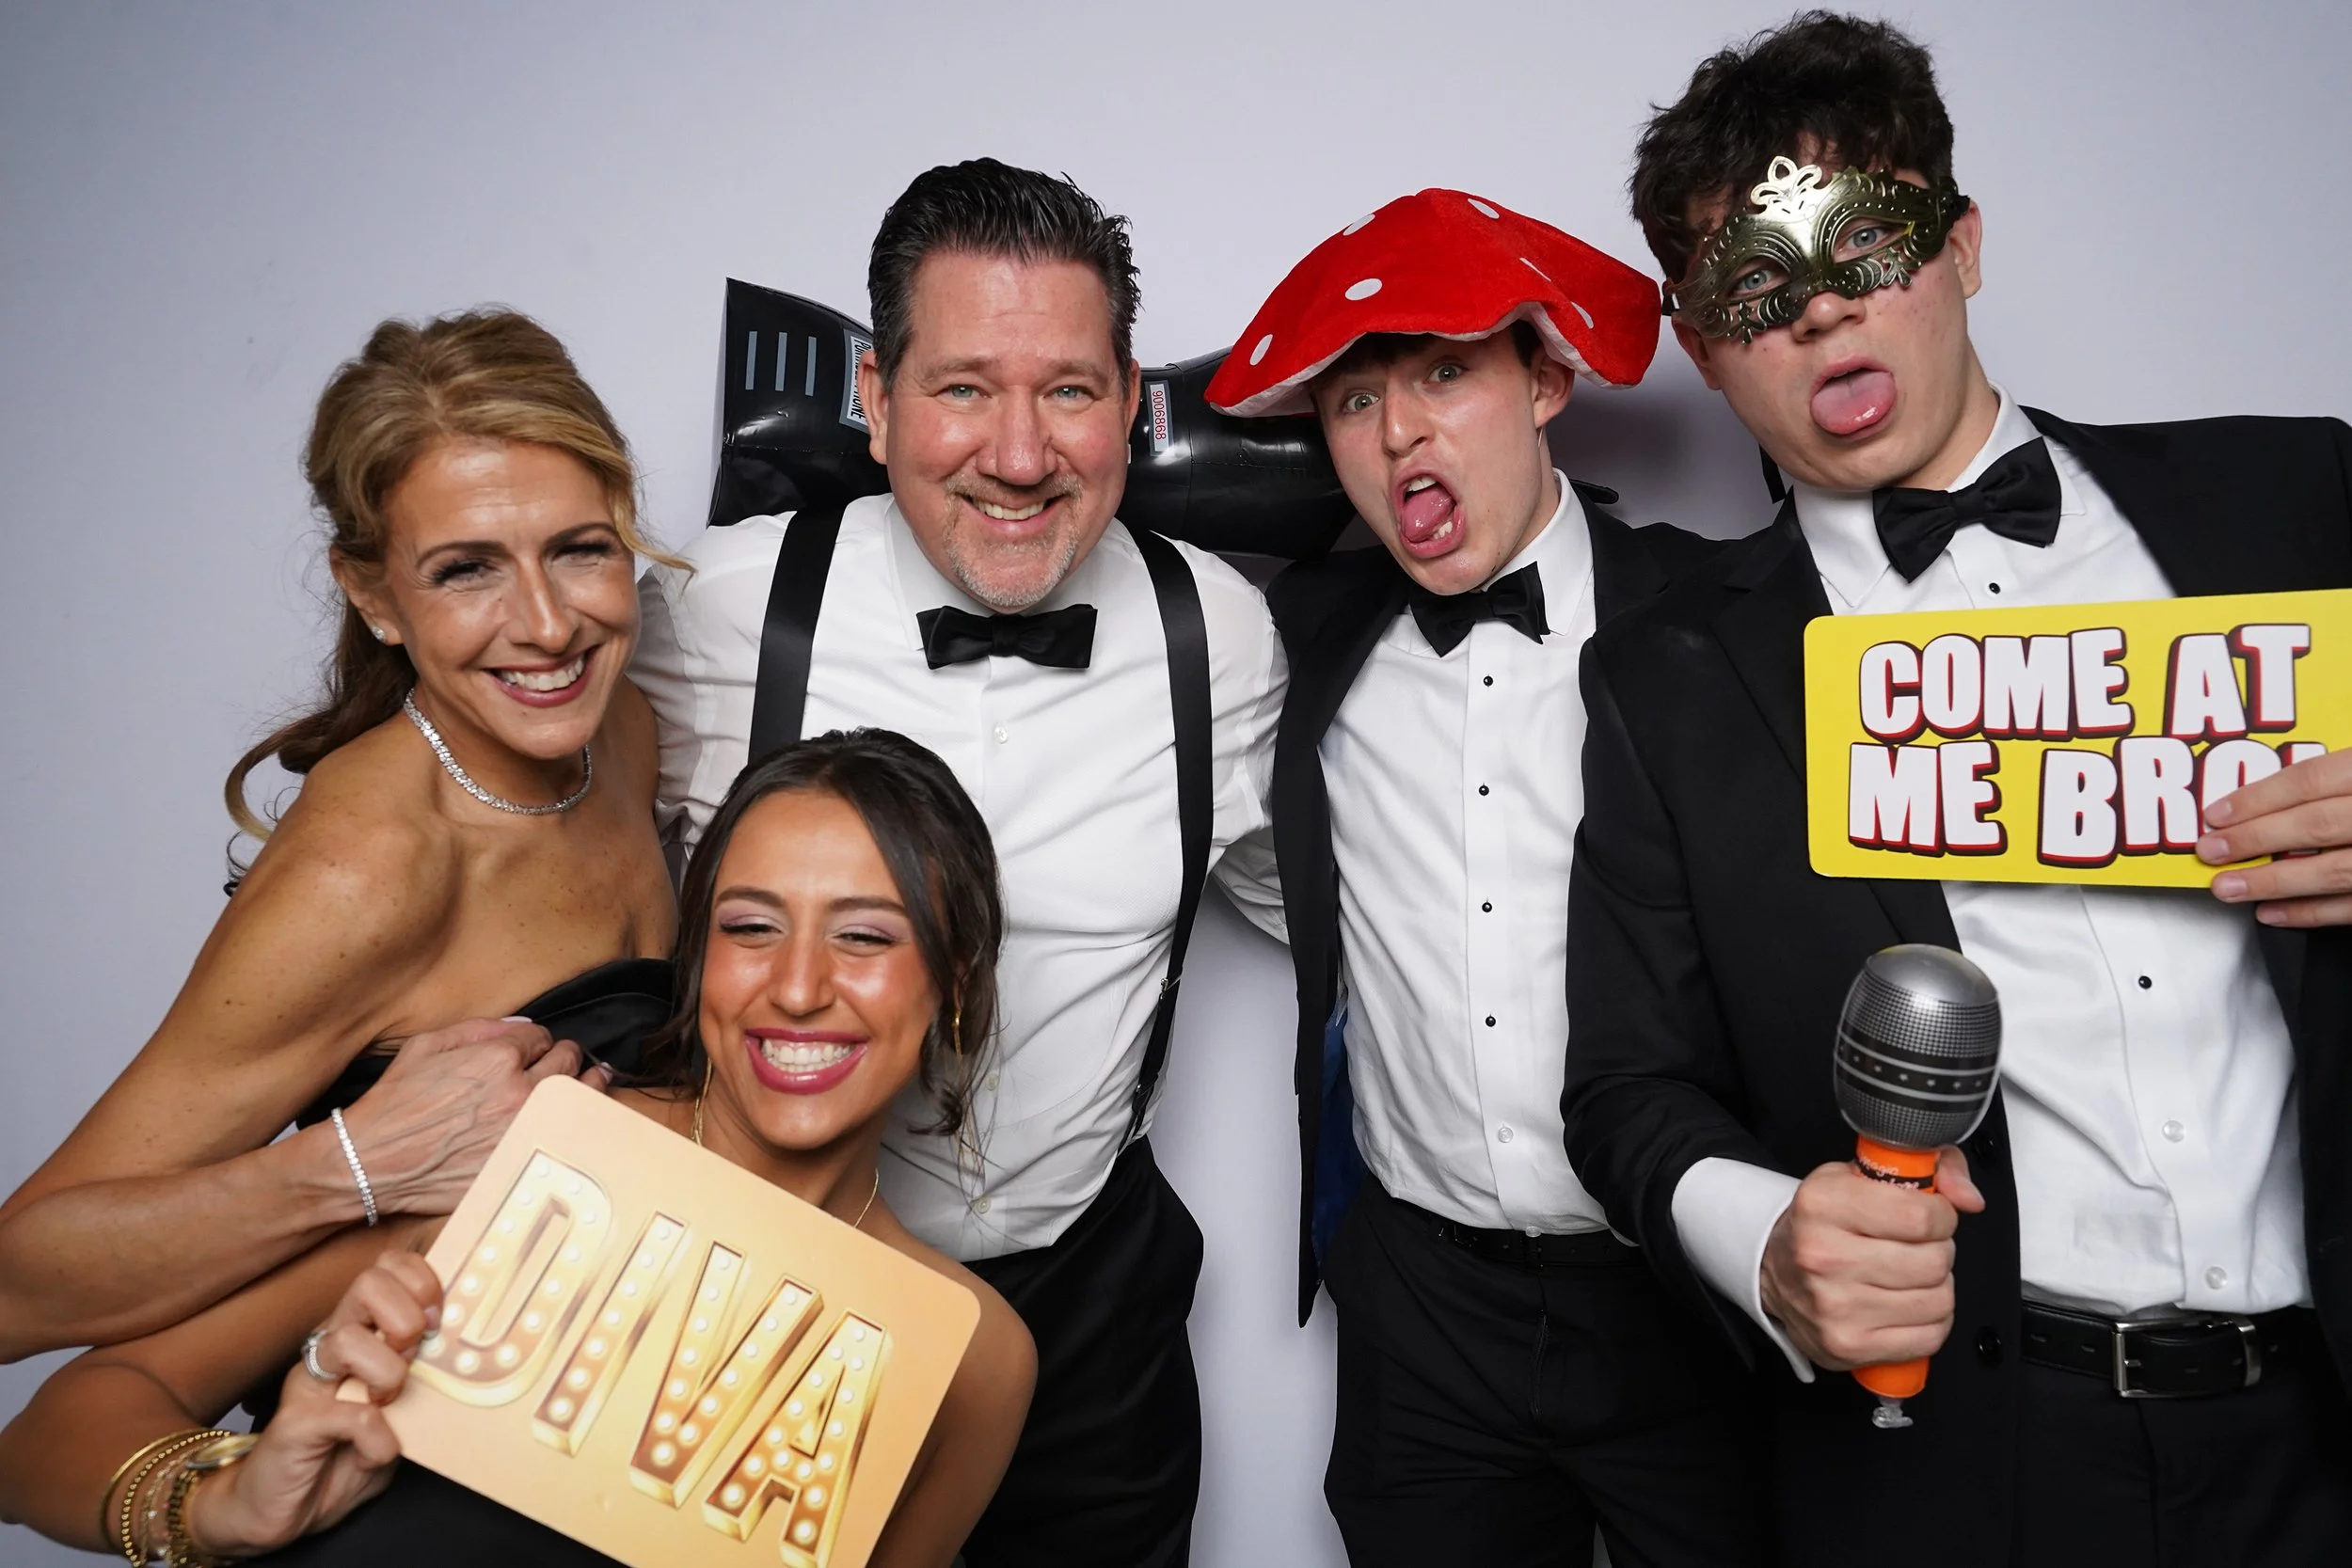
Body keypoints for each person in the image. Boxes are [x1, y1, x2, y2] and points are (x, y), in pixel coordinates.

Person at [1563, 13, 2352, 1566]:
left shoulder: (2301, 497)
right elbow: (1626, 1095)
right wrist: (1770, 1244)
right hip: (1960, 1465)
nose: (1825, 317)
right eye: (1754, 294)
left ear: (1965, 244)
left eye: (1869, 245)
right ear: (1708, 349)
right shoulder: (1666, 677)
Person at [631, 158, 1283, 1568]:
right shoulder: (721, 606)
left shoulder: (1216, 633)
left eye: (1067, 389)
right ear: (874, 399)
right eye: (964, 387)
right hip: (766, 1282)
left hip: (1092, 1317)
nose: (1020, 452)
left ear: (1130, 405)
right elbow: (579, 906)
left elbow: (1344, 912)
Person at [0, 727, 1038, 1566]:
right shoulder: (534, 1148)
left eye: (866, 935)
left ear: (953, 980)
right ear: (697, 963)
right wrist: (226, 1499)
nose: (799, 986)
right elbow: (44, 1438)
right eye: (751, 927)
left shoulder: (972, 1356)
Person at [1201, 189, 1764, 1566]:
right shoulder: (1295, 639)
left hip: (1695, 1294)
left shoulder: (1730, 620)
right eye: (1351, 399)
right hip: (1425, 1309)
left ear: (1549, 379)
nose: (1398, 432)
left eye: (1446, 371)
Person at [0, 310, 676, 1364]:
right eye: (467, 570)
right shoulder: (368, 875)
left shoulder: (619, 725)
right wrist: (360, 1161)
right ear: (374, 594)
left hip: (579, 1396)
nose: (548, 624)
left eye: (579, 549)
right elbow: (14, 1285)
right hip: (389, 1440)